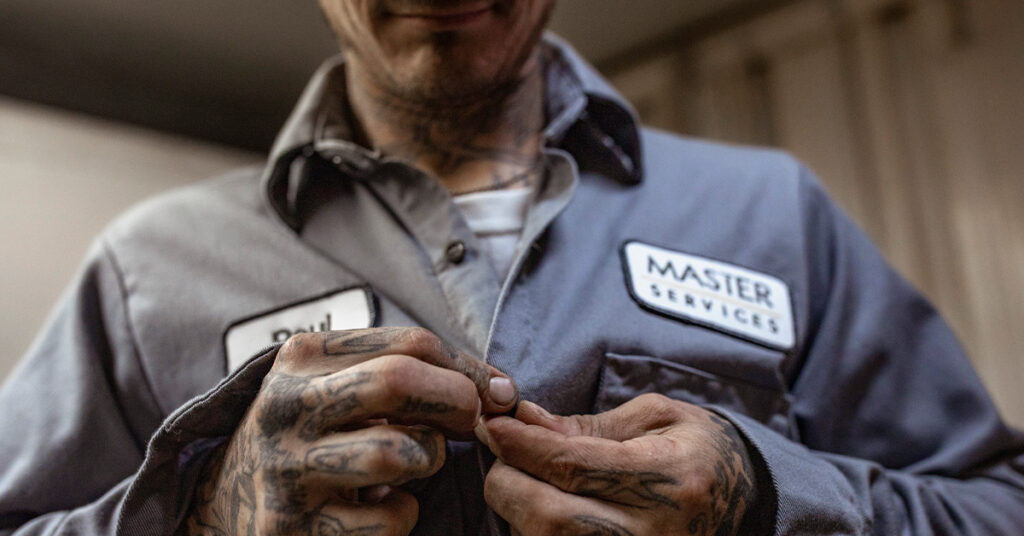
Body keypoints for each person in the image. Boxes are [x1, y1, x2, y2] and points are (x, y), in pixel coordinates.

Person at [2, 0, 1023, 534]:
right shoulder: (146, 269)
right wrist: (198, 517)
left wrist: (763, 495)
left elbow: (997, 505)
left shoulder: (772, 213)